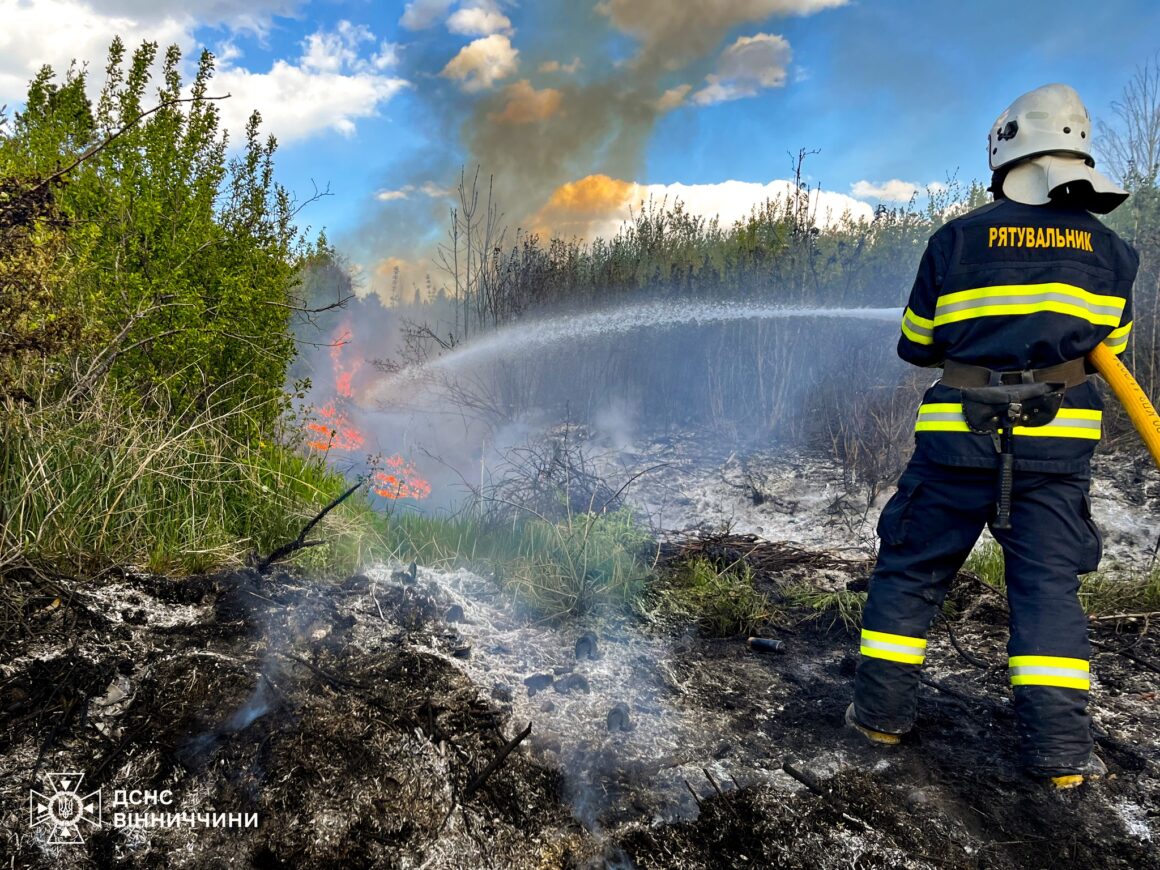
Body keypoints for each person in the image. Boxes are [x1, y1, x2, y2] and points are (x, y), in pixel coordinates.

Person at [846, 83, 1139, 789]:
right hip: (1056, 449)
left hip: (957, 443)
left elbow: (917, 345)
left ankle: (881, 717)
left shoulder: (958, 237)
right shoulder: (1114, 253)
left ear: (1008, 149)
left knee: (912, 569)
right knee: (1046, 589)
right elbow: (1113, 347)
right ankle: (1062, 756)